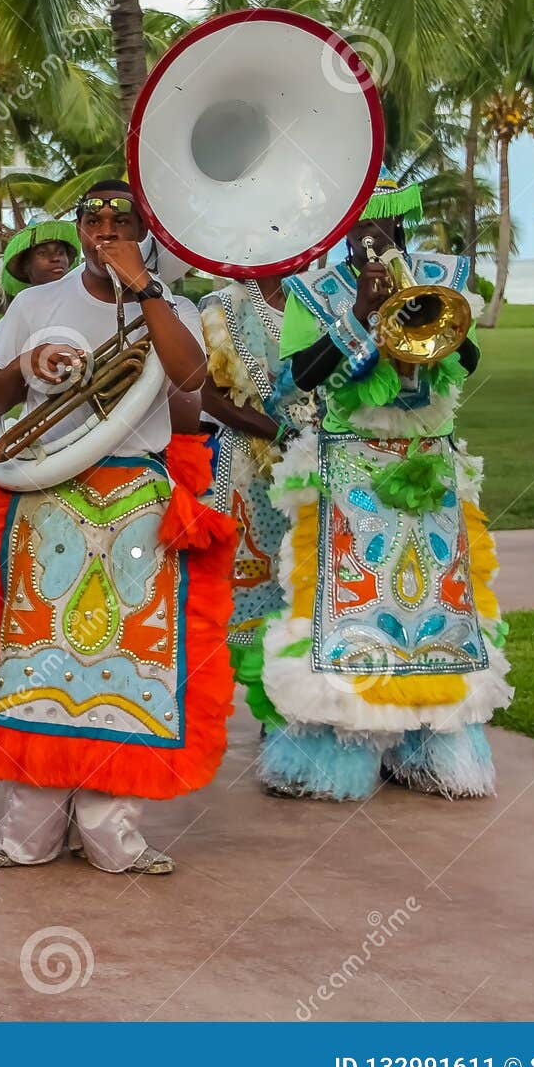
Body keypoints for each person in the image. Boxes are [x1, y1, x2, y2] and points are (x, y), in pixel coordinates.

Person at [0, 178, 236, 876]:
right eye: (93, 216)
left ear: (145, 230)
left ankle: (114, 832)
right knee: (39, 665)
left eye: (122, 217)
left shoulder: (172, 305)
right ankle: (30, 829)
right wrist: (26, 366)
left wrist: (144, 288)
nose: (105, 227)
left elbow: (192, 377)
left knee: (128, 665)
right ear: (77, 226)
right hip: (47, 495)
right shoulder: (34, 302)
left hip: (133, 496)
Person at [256, 167, 511, 801]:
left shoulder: (441, 276)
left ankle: (428, 740)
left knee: (437, 608)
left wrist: (423, 302)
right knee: (352, 609)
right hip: (349, 472)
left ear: (401, 222)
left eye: (381, 223)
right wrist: (359, 316)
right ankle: (344, 745)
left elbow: (470, 359)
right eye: (356, 226)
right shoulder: (313, 290)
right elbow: (296, 383)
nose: (368, 237)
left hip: (429, 467)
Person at [196, 272, 316, 729]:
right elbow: (208, 393)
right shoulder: (222, 305)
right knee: (258, 585)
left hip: (322, 461)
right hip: (250, 465)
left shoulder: (320, 296)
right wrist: (280, 433)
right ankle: (274, 713)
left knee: (310, 579)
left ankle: (313, 703)